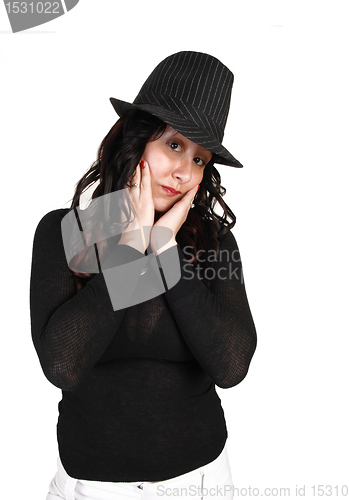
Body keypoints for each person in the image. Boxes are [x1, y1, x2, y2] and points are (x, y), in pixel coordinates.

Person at [30, 51, 257, 500]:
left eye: (199, 159)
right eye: (174, 145)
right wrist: (132, 246)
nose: (183, 171)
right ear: (137, 140)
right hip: (87, 486)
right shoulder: (67, 233)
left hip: (200, 482)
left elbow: (231, 366)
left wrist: (166, 250)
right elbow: (62, 365)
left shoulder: (213, 245)